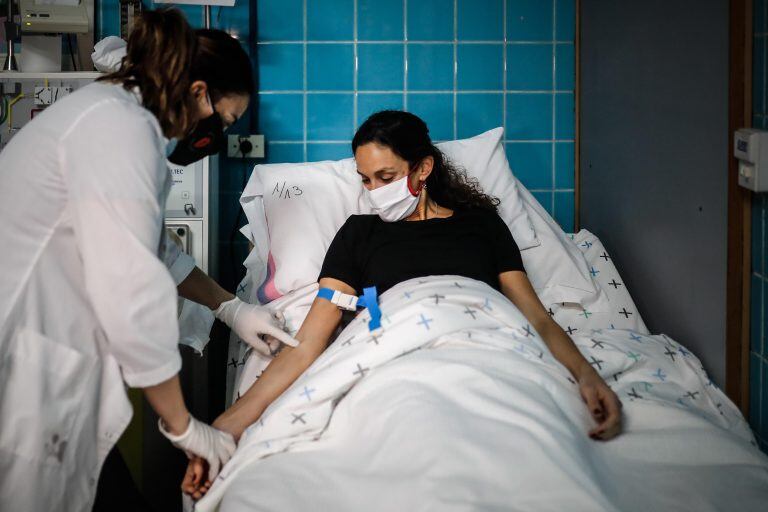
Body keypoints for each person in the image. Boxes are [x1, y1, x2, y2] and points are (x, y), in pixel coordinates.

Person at [182, 110, 623, 499]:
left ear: (424, 168)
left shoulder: (482, 226)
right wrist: (227, 426)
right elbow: (310, 340)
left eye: (387, 178)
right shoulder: (359, 234)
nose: (374, 191)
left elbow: (537, 321)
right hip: (397, 364)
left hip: (488, 355)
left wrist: (586, 376)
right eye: (366, 180)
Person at [0, 8, 295, 511]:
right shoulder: (120, 129)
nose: (213, 137)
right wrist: (186, 429)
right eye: (222, 121)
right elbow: (133, 293)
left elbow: (157, 250)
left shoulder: (113, 117)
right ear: (199, 92)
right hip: (26, 360)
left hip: (48, 357)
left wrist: (231, 308)